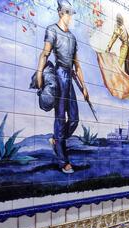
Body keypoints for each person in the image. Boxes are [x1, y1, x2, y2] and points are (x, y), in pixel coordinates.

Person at [36, 0, 89, 174]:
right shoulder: (52, 30)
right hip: (59, 75)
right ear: (61, 13)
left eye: (72, 13)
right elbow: (45, 54)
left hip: (70, 76)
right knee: (60, 118)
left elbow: (78, 66)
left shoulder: (72, 37)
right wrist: (39, 74)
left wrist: (84, 87)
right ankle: (63, 161)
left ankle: (56, 141)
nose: (71, 17)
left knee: (73, 118)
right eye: (68, 13)